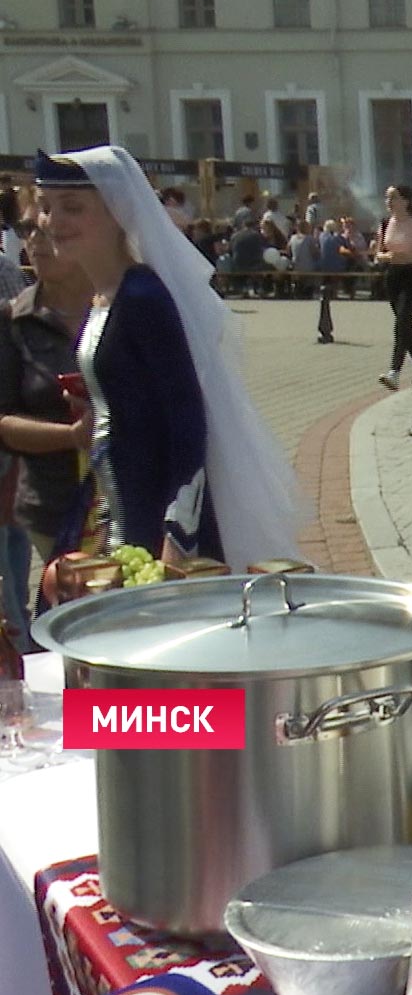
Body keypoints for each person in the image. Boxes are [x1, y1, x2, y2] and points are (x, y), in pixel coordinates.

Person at [34, 147, 302, 573]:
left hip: (151, 513)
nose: (52, 222)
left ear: (116, 212)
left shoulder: (142, 296)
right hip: (109, 500)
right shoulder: (104, 294)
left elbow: (187, 421)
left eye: (72, 208)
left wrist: (178, 536)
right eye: (45, 208)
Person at [0, 215, 88, 633]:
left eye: (49, 227)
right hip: (52, 507)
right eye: (29, 227)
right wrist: (72, 436)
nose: (35, 239)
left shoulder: (124, 307)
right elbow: (4, 421)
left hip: (129, 503)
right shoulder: (14, 320)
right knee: (74, 628)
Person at [375, 185, 412, 392]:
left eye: (394, 198)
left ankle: (395, 370)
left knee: (402, 319)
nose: (389, 202)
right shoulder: (385, 223)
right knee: (404, 325)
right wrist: (389, 257)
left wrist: (410, 258)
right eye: (387, 198)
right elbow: (378, 254)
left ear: (406, 201)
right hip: (393, 276)